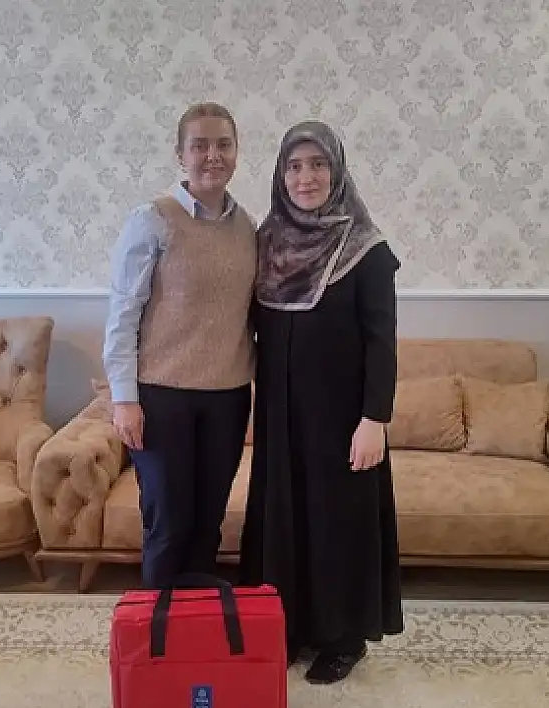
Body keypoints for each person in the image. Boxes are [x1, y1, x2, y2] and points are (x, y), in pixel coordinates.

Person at [239, 120, 404, 684]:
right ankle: (286, 626)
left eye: (317, 164)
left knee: (337, 524)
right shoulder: (266, 244)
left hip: (342, 420)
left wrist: (374, 419)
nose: (305, 177)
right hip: (280, 417)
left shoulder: (366, 250)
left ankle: (343, 638)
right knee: (284, 519)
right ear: (279, 175)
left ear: (337, 171)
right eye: (294, 166)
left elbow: (382, 342)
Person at [102, 102, 257, 590]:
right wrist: (124, 400)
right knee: (168, 523)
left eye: (223, 144)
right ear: (181, 154)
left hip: (228, 398)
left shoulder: (248, 229)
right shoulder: (153, 219)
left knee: (208, 523)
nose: (213, 155)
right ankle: (159, 626)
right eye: (200, 145)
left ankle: (200, 624)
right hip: (161, 398)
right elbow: (123, 314)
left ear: (237, 153)